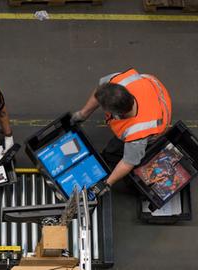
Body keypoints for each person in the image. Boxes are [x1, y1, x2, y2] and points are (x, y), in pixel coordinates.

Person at [71, 68, 172, 197]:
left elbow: (128, 162)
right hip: (152, 91)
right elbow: (101, 92)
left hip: (158, 122)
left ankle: (111, 159)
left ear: (117, 114)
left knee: (116, 152)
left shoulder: (138, 133)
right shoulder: (120, 83)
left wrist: (107, 183)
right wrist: (83, 113)